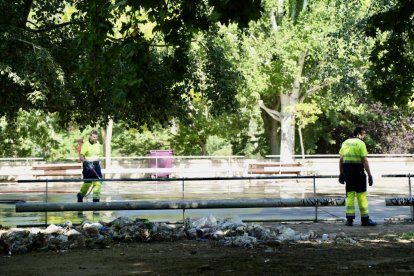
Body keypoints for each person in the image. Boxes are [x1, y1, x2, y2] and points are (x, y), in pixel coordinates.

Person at [339, 126, 376, 226]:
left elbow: (341, 160)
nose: (364, 136)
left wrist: (341, 173)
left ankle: (349, 220)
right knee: (361, 196)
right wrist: (370, 175)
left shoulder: (345, 143)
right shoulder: (361, 143)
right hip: (358, 172)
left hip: (348, 173)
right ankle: (365, 219)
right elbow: (365, 160)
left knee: (350, 195)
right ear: (359, 133)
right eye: (363, 134)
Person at [77, 130, 103, 203]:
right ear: (90, 136)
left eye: (96, 137)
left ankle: (96, 200)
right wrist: (85, 162)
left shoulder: (98, 143)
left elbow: (97, 155)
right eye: (94, 137)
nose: (95, 139)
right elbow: (81, 156)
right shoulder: (86, 144)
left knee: (98, 183)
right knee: (87, 183)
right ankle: (80, 195)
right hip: (88, 166)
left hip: (96, 166)